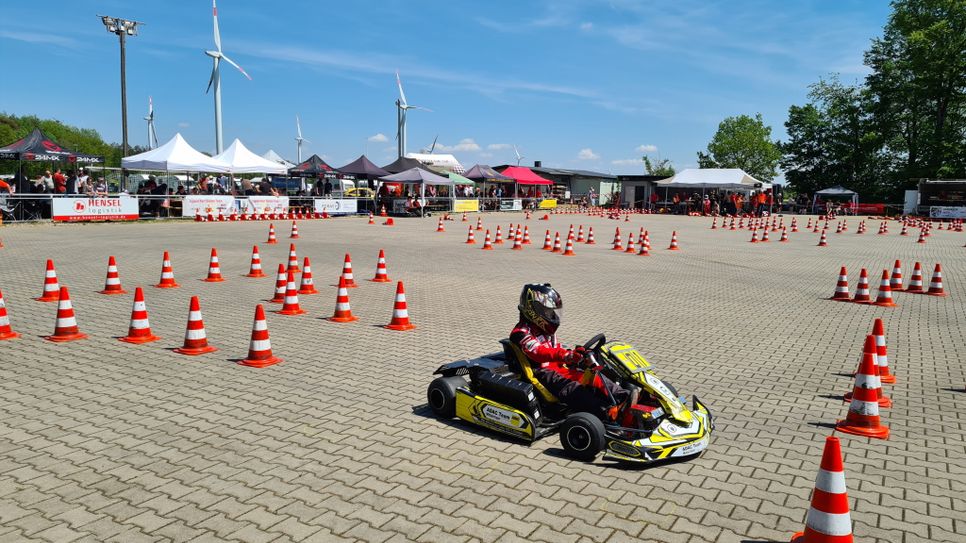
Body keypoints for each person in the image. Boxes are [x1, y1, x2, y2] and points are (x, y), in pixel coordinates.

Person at [510, 284, 629, 420]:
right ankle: (607, 413)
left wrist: (576, 355)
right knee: (573, 388)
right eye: (548, 312)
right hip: (542, 373)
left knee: (592, 375)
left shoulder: (544, 330)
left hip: (559, 368)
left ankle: (624, 397)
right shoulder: (520, 333)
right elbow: (538, 352)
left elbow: (556, 349)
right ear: (534, 310)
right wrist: (565, 355)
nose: (552, 315)